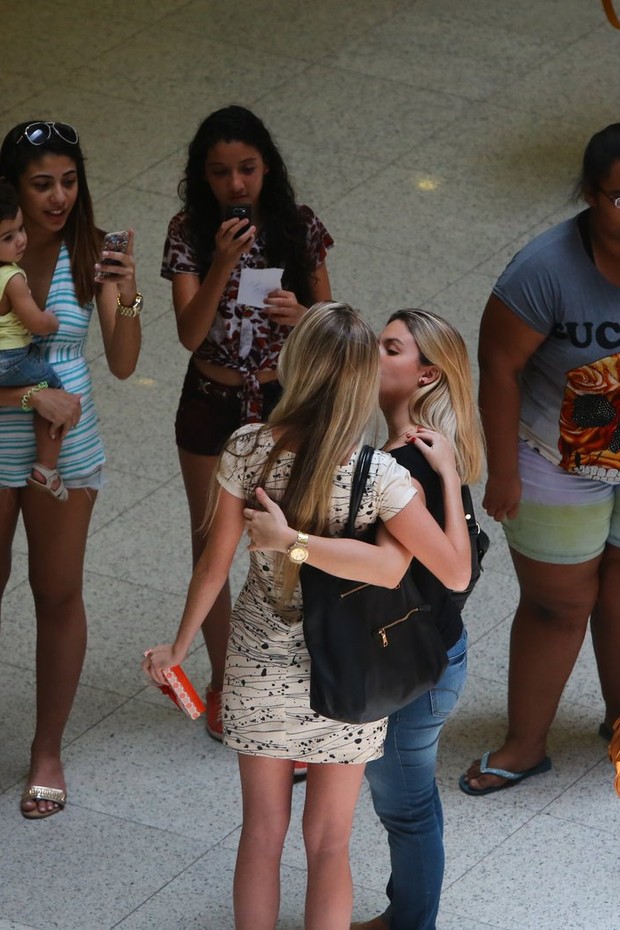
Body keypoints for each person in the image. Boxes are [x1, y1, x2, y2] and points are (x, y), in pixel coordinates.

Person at [143, 302, 471, 930]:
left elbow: (212, 568)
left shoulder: (246, 449)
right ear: (357, 379)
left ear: (292, 365)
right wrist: (449, 479)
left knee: (261, 834)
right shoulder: (381, 474)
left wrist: (179, 648)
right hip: (351, 672)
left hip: (257, 663)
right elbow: (447, 570)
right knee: (329, 844)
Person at [248, 309, 485, 930]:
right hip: (431, 647)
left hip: (404, 658)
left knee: (404, 809)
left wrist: (290, 541)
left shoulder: (400, 466)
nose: (373, 356)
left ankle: (410, 922)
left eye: (390, 348)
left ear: (427, 375)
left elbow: (415, 569)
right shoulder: (423, 453)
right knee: (401, 805)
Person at [160, 105, 333, 741]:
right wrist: (222, 267)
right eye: (221, 173)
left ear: (268, 167)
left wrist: (303, 315)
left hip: (284, 399)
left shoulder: (298, 226)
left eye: (248, 169)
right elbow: (187, 332)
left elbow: (331, 318)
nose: (236, 184)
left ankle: (298, 680)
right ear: (201, 178)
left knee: (297, 539)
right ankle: (224, 678)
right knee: (212, 544)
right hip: (212, 396)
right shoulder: (188, 232)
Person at [460, 122, 620, 797]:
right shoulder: (544, 269)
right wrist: (500, 469)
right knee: (560, 605)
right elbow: (498, 365)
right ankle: (525, 745)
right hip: (554, 458)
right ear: (589, 195)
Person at [0, 120, 142, 818]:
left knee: (57, 593)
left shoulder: (92, 254)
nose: (58, 197)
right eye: (41, 183)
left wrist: (130, 292)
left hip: (67, 446)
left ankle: (46, 750)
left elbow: (121, 362)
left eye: (69, 180)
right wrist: (29, 394)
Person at [0, 178, 70, 501]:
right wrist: (50, 321)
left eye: (21, 230)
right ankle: (47, 466)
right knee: (55, 392)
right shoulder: (12, 277)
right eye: (8, 237)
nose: (20, 241)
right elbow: (34, 321)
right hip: (12, 357)